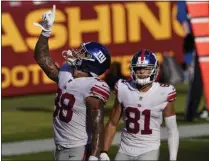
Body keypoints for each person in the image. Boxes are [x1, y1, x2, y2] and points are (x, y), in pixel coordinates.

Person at [34, 5, 111, 161]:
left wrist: (95, 156)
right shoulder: (67, 72)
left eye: (83, 53)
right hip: (61, 146)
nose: (77, 52)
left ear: (92, 63)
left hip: (79, 148)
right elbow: (41, 59)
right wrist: (46, 32)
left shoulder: (93, 87)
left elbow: (98, 126)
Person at [99, 50, 179, 160]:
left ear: (154, 69)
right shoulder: (123, 88)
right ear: (132, 69)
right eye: (138, 68)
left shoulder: (164, 92)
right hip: (125, 149)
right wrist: (104, 151)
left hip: (149, 149)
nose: (142, 72)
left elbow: (172, 129)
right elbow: (112, 123)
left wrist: (173, 158)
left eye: (146, 68)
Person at [176, 1, 208, 121]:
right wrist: (187, 31)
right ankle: (191, 111)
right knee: (197, 77)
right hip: (199, 39)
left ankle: (202, 109)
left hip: (201, 36)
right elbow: (181, 14)